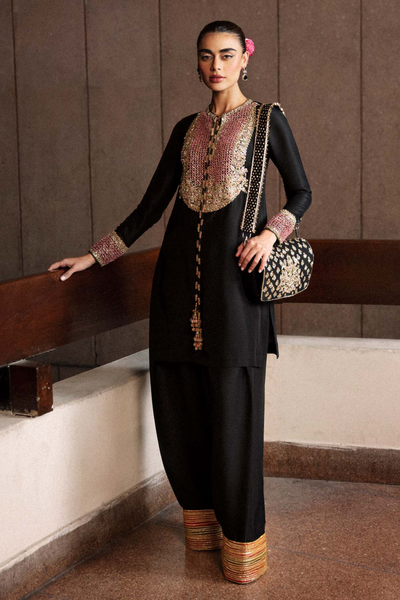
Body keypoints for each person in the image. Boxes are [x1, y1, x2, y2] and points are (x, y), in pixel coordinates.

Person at [48, 20, 312, 585]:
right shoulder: (185, 129)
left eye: (227, 55)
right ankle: (204, 524)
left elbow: (302, 191)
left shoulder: (268, 119)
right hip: (176, 291)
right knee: (180, 405)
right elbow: (150, 207)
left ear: (245, 59)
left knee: (235, 410)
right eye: (206, 56)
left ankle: (243, 542)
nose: (216, 66)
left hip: (235, 291)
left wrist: (272, 233)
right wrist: (94, 256)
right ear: (197, 63)